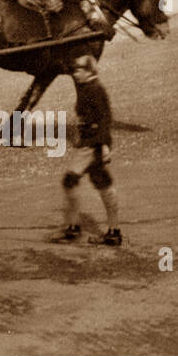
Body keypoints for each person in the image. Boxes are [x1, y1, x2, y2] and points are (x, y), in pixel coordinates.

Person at [55, 54, 122, 246]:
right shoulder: (88, 88)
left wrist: (103, 145)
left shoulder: (95, 89)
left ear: (88, 71)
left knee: (70, 181)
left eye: (79, 70)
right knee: (102, 182)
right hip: (90, 142)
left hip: (93, 144)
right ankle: (113, 232)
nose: (75, 74)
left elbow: (104, 119)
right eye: (75, 70)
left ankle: (74, 228)